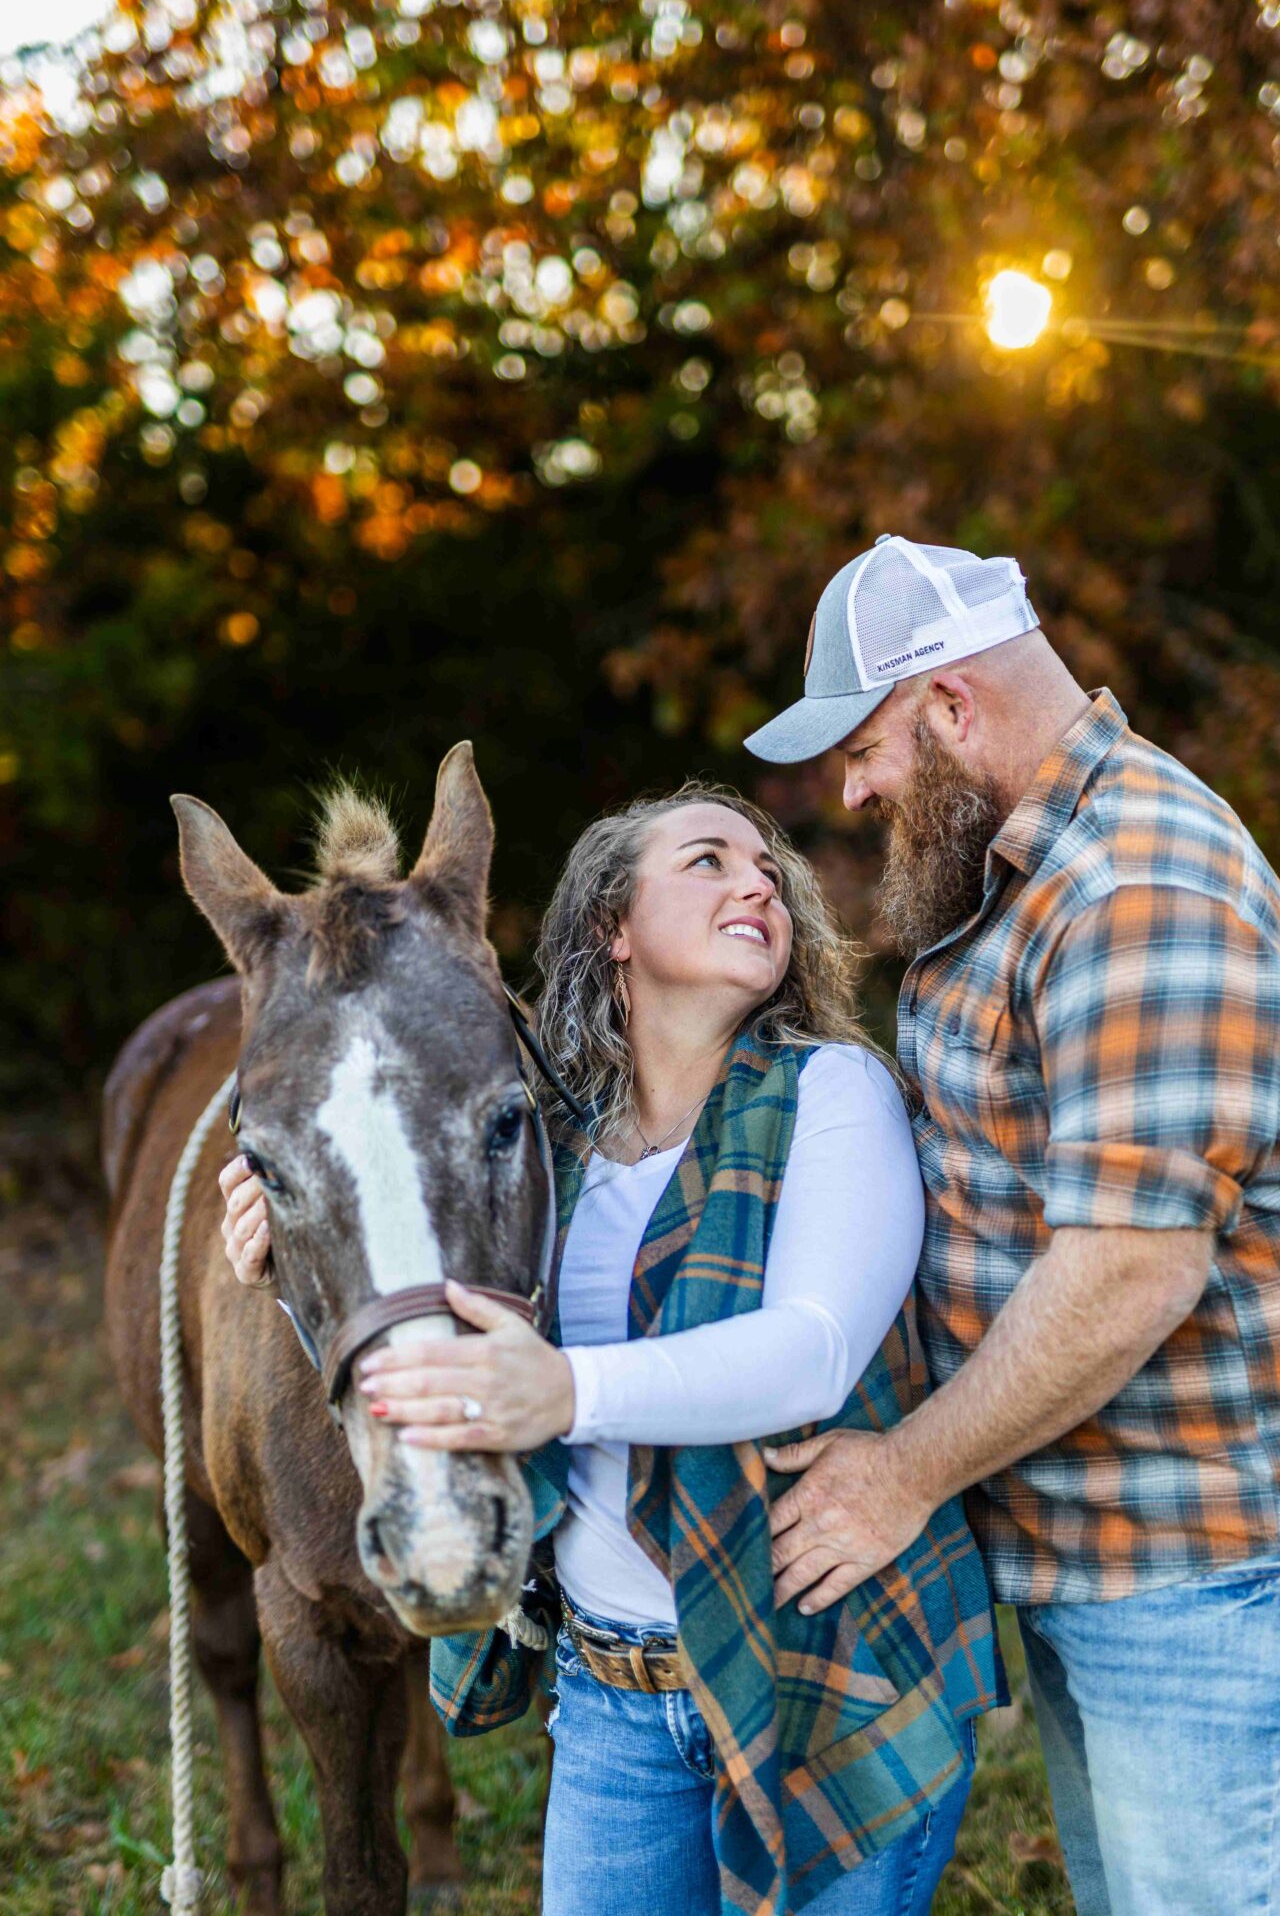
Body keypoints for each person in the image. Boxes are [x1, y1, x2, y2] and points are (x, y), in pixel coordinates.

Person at [221, 784, 1005, 1916]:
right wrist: (285, 1246)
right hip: (611, 1699)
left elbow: (810, 1352)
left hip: (818, 1682)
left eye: (767, 866)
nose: (758, 881)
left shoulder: (832, 1092)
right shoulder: (544, 1143)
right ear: (612, 929)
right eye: (706, 860)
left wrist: (564, 1389)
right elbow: (406, 1257)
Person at [744, 534, 1280, 1916]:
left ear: (952, 707)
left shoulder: (1136, 886)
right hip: (1090, 1555)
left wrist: (903, 1473)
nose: (851, 789)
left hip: (1194, 1583)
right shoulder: (1016, 879)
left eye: (863, 748)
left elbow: (1129, 1270)